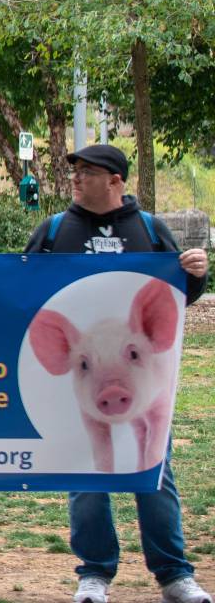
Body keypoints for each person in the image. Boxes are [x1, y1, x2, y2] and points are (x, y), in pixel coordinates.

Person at [28, 144, 209, 603]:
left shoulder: (149, 231)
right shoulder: (54, 232)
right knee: (87, 477)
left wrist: (197, 272)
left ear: (115, 181)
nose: (76, 178)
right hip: (83, 387)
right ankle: (94, 574)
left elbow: (175, 302)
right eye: (76, 171)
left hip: (144, 384)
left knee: (155, 472)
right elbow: (16, 287)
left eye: (87, 171)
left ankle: (174, 575)